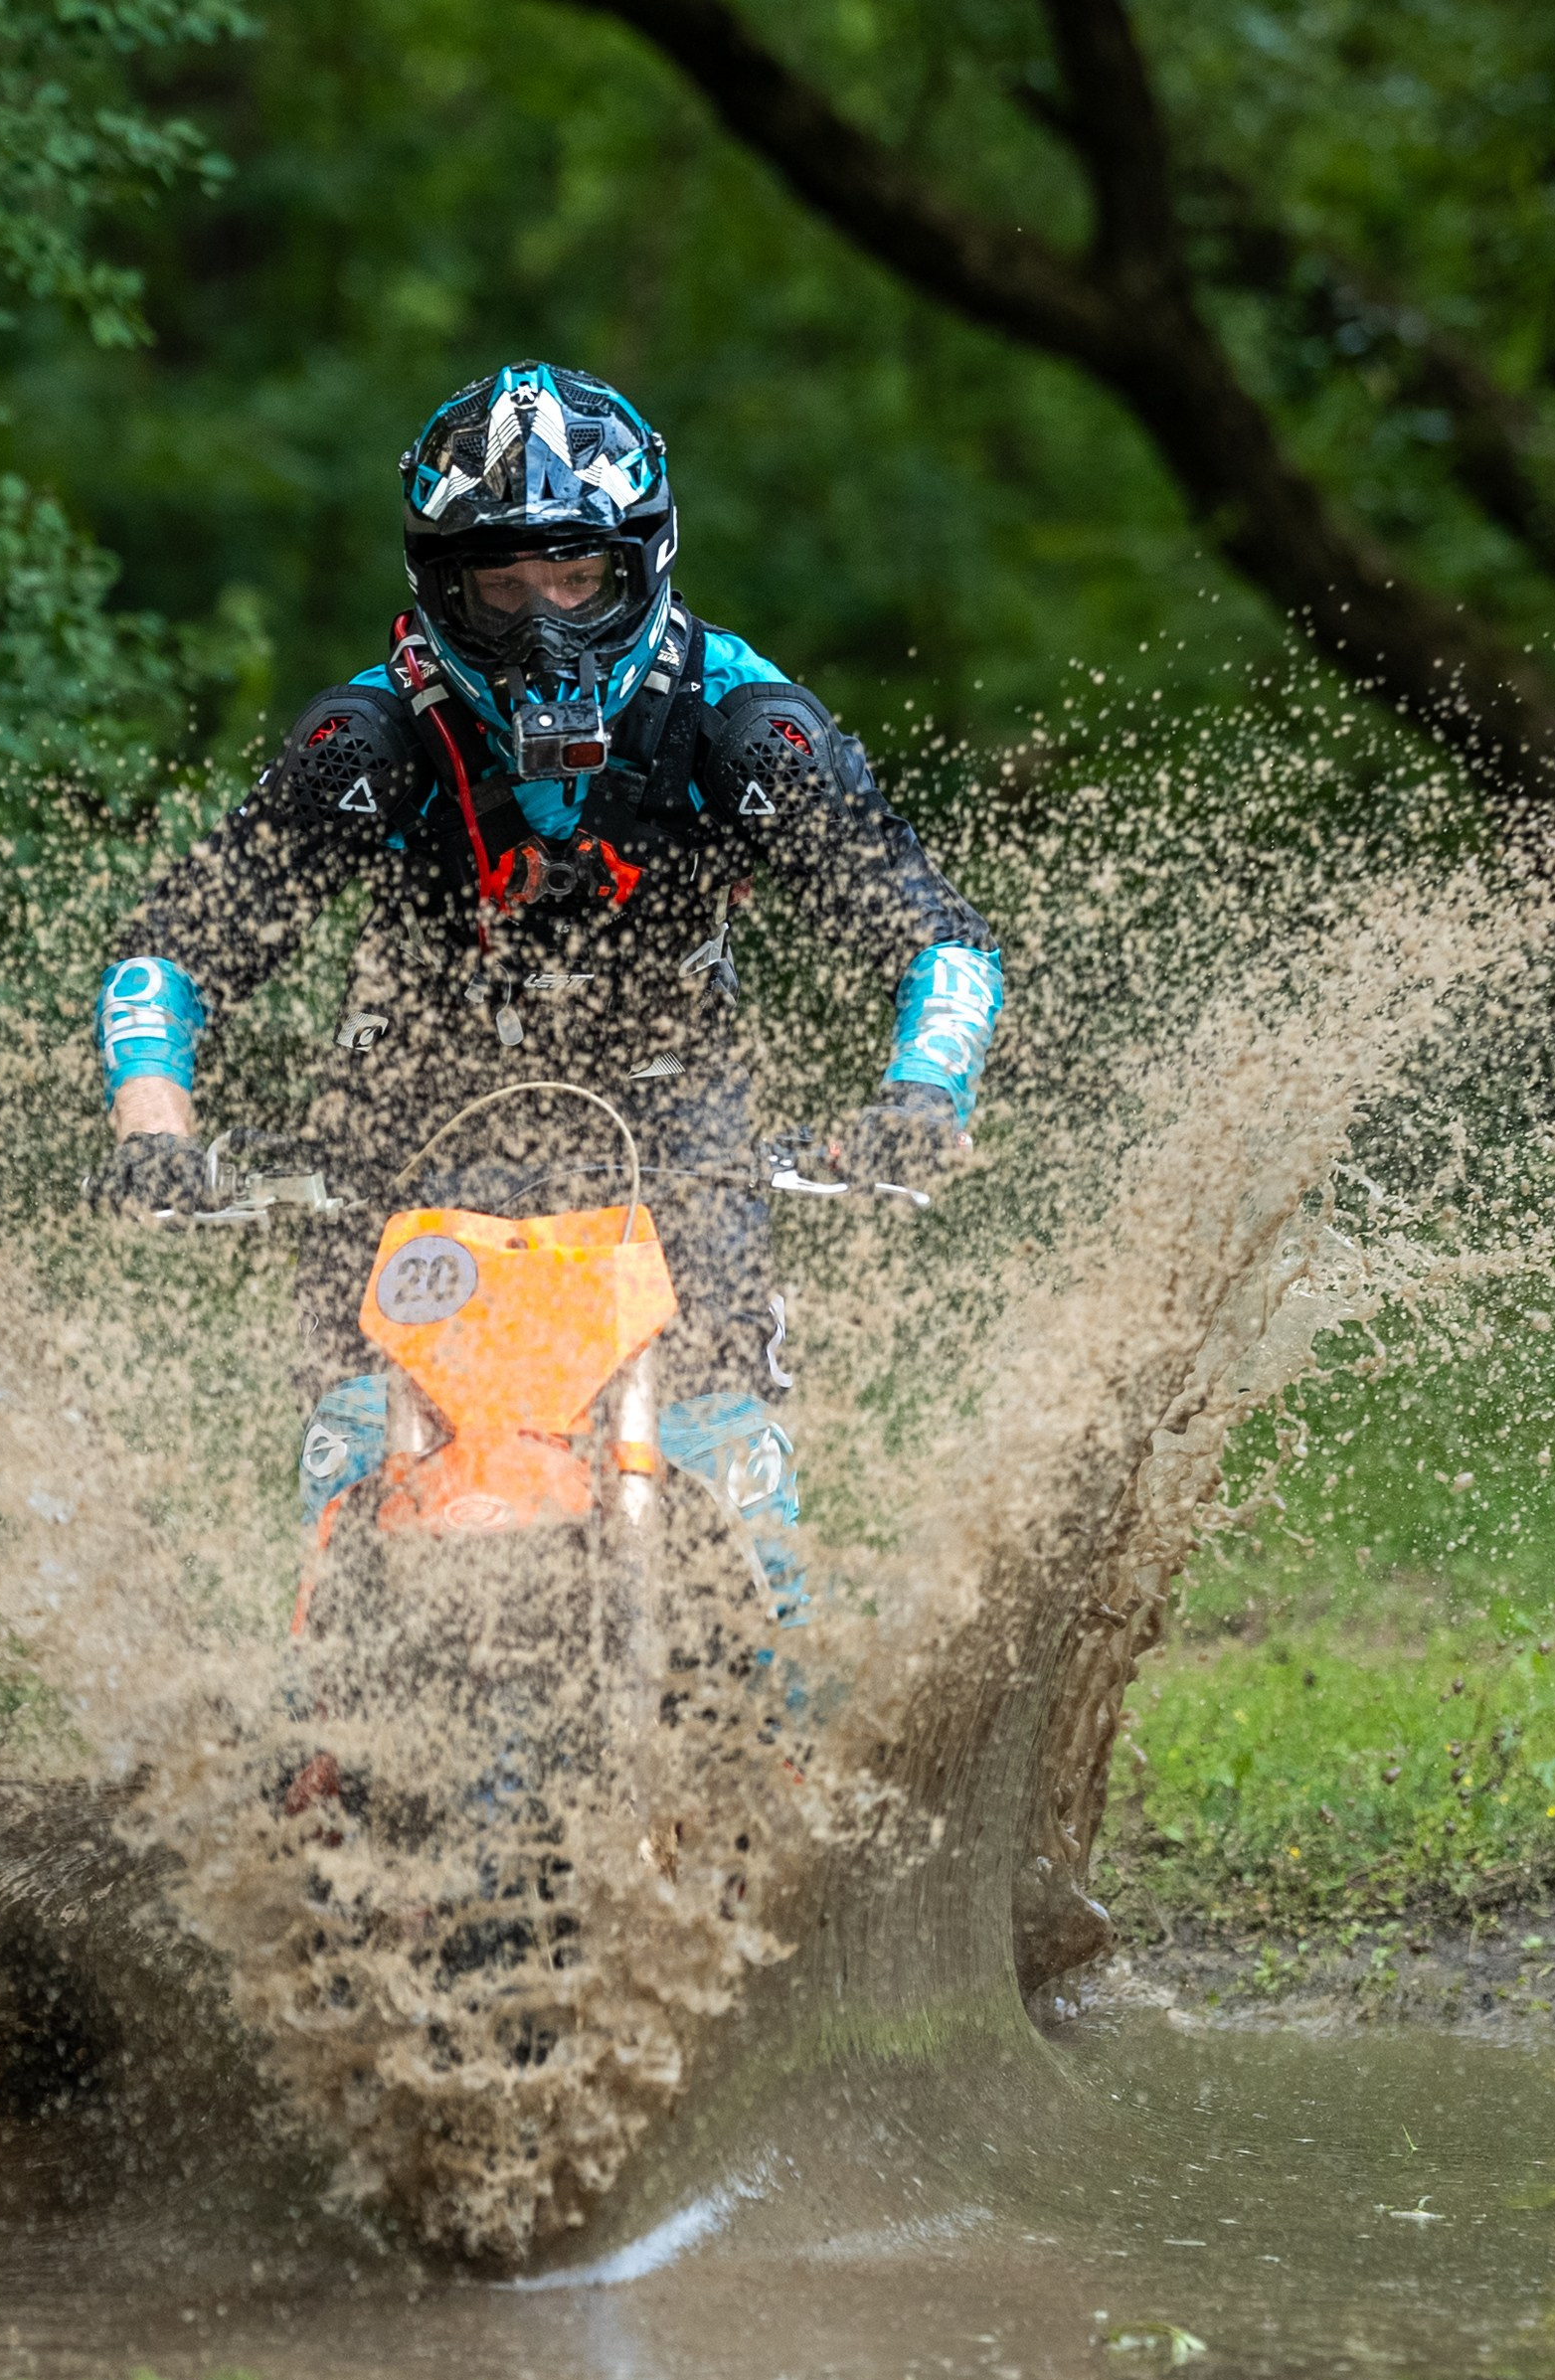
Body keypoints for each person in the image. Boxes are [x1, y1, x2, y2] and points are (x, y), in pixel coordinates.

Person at [94, 361, 1001, 1626]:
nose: (542, 626)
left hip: (677, 1139)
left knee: (738, 1484)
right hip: (405, 1129)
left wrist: (918, 1096)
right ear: (439, 587)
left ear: (641, 564)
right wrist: (153, 1130)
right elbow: (173, 953)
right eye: (501, 585)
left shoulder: (740, 727)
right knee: (353, 1467)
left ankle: (776, 1727)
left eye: (575, 577)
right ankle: (326, 1719)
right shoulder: (371, 740)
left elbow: (938, 943)